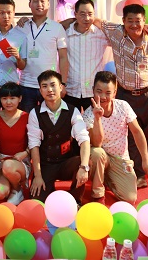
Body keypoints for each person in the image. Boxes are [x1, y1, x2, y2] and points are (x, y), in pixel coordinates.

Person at [89, 4, 148, 188]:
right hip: (125, 94)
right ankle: (131, 172)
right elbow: (95, 20)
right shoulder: (116, 32)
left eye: (138, 21)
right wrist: (69, 21)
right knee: (129, 135)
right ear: (123, 21)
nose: (134, 25)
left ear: (144, 21)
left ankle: (143, 169)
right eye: (130, 21)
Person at [82, 71, 148, 204]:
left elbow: (137, 132)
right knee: (97, 153)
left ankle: (108, 179)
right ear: (93, 90)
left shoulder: (123, 106)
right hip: (100, 159)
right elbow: (97, 143)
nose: (103, 97)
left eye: (108, 92)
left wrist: (146, 160)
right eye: (99, 91)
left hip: (120, 159)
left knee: (130, 198)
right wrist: (97, 119)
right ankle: (98, 194)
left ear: (115, 92)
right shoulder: (88, 114)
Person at [27, 70, 90, 205]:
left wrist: (84, 167)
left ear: (61, 87)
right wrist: (37, 176)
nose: (49, 90)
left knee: (83, 161)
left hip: (66, 163)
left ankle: (75, 200)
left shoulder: (73, 111)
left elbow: (84, 139)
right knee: (35, 203)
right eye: (45, 86)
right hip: (46, 165)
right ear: (40, 91)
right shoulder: (34, 113)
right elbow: (34, 145)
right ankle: (49, 188)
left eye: (53, 85)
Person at [64, 0, 110, 112]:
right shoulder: (65, 33)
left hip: (93, 92)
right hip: (70, 90)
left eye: (90, 14)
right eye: (82, 14)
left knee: (95, 122)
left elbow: (122, 34)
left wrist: (146, 27)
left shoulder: (101, 34)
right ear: (75, 14)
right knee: (70, 122)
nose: (87, 18)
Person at [0, 82, 30, 205]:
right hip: (2, 160)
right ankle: (9, 184)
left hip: (21, 161)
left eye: (12, 98)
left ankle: (17, 189)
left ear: (20, 99)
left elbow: (34, 142)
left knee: (9, 166)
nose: (8, 102)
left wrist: (25, 153)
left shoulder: (27, 117)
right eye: (4, 98)